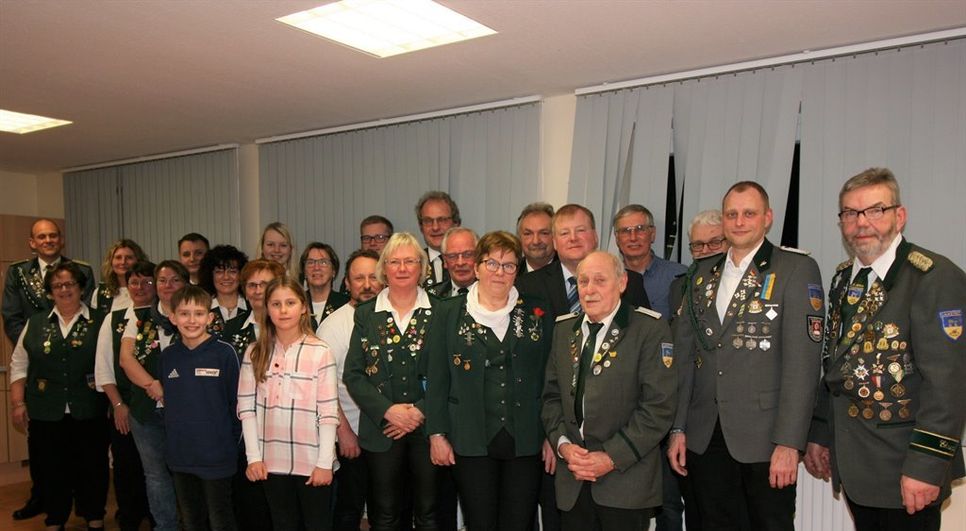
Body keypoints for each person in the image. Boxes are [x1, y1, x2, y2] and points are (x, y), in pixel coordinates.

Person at [804, 168, 965, 531]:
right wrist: (819, 433)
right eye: (850, 213)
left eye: (874, 210)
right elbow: (836, 367)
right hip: (857, 464)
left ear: (899, 215)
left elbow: (947, 386)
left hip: (905, 467)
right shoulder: (845, 278)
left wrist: (926, 467)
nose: (862, 223)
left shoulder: (933, 277)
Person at [669, 181, 824, 531]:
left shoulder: (795, 269)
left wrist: (789, 442)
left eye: (749, 213)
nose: (739, 222)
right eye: (732, 214)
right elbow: (685, 358)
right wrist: (678, 427)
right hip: (705, 433)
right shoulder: (701, 275)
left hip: (765, 438)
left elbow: (803, 365)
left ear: (767, 218)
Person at [426, 231, 554, 531]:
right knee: (479, 521)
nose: (500, 272)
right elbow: (437, 377)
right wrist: (436, 434)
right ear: (477, 268)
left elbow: (551, 377)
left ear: (517, 271)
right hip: (469, 437)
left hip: (525, 436)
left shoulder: (537, 311)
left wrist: (552, 434)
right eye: (492, 263)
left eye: (509, 265)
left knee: (519, 522)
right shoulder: (448, 312)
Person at [542, 251, 676, 531]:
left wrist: (611, 457)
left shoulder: (648, 330)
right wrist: (563, 445)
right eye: (583, 281)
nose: (589, 290)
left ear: (622, 282)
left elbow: (658, 408)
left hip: (625, 482)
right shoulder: (564, 329)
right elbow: (552, 398)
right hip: (573, 479)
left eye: (600, 281)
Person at [344, 232, 441, 531]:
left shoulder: (442, 311)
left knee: (428, 512)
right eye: (394, 261)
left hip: (429, 427)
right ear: (383, 269)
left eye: (409, 261)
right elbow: (354, 375)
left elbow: (448, 373)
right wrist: (389, 411)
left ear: (422, 267)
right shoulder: (365, 315)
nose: (402, 268)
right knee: (384, 514)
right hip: (381, 428)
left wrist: (418, 410)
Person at [2, 218, 94, 521]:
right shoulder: (17, 272)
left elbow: (93, 316)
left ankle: (85, 506)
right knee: (45, 454)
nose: (48, 240)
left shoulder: (82, 271)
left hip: (78, 372)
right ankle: (41, 500)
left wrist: (65, 346)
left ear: (61, 239)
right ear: (32, 242)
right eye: (42, 237)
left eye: (53, 235)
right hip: (40, 368)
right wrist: (40, 344)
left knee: (83, 455)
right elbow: (12, 316)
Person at [10, 261, 110, 530]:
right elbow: (19, 364)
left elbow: (110, 365)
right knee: (52, 470)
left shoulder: (100, 321)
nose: (64, 289)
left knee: (92, 466)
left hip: (89, 408)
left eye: (70, 284)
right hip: (46, 411)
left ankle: (94, 516)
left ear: (80, 288)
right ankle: (55, 519)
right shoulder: (35, 322)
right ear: (49, 292)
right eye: (58, 285)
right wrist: (18, 403)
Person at [237, 277, 339, 531]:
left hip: (313, 461)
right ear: (267, 308)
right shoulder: (254, 352)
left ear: (303, 307)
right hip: (271, 462)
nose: (283, 310)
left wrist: (325, 463)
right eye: (276, 304)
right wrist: (253, 458)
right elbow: (246, 409)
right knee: (283, 523)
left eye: (290, 303)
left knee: (317, 525)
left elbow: (328, 412)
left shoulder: (321, 351)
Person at [666, 209, 730, 531]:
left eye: (714, 242)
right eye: (697, 246)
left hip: (740, 426)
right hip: (696, 424)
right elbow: (680, 359)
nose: (705, 252)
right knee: (699, 516)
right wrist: (677, 427)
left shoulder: (744, 288)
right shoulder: (682, 288)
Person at [117, 260, 189, 531]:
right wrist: (154, 386)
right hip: (147, 413)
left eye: (174, 280)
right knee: (156, 476)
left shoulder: (195, 316)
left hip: (186, 414)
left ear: (185, 284)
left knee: (186, 474)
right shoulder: (139, 318)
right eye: (162, 280)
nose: (167, 286)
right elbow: (126, 359)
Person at [162, 285, 241, 531]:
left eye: (198, 313)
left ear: (210, 317)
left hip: (217, 456)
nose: (192, 320)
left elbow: (237, 405)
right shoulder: (167, 356)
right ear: (173, 318)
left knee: (220, 519)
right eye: (184, 313)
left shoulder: (225, 353)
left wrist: (230, 445)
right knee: (191, 519)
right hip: (181, 456)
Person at [316, 249, 384, 531]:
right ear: (346, 283)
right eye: (359, 278)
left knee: (389, 508)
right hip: (351, 435)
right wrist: (343, 432)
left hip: (389, 435)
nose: (367, 284)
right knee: (348, 509)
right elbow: (325, 387)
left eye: (373, 277)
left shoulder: (394, 316)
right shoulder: (332, 327)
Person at [220, 258, 285, 531]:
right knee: (249, 506)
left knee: (282, 507)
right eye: (252, 285)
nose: (258, 291)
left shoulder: (294, 325)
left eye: (265, 284)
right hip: (243, 431)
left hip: (284, 430)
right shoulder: (230, 328)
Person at [94, 260, 157, 531]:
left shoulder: (168, 316)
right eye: (134, 282)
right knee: (126, 465)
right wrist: (118, 404)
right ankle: (130, 516)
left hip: (159, 406)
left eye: (147, 282)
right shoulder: (114, 319)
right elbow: (104, 366)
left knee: (157, 469)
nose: (141, 287)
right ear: (126, 285)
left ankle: (156, 516)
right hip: (126, 407)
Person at [517, 204, 650, 322]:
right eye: (564, 233)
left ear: (595, 237)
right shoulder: (529, 285)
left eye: (580, 230)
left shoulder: (629, 281)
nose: (573, 238)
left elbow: (644, 333)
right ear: (555, 242)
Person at [613, 205, 686, 318]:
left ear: (652, 234)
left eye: (640, 229)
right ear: (617, 239)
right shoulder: (609, 278)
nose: (633, 237)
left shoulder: (678, 275)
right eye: (625, 231)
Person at [199, 244, 250, 339]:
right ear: (210, 275)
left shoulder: (252, 308)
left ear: (241, 274)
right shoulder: (201, 308)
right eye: (219, 272)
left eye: (233, 271)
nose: (226, 277)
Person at [416, 191, 461, 291]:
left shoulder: (473, 262)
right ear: (421, 227)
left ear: (456, 223)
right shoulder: (414, 265)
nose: (435, 227)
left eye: (442, 220)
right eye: (428, 221)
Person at [299, 242, 350, 329]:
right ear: (304, 271)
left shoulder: (346, 303)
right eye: (311, 262)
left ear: (333, 271)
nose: (316, 268)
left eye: (323, 263)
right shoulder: (296, 303)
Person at [90, 238, 149, 311]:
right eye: (118, 257)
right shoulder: (99, 294)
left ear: (139, 261)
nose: (123, 262)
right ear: (111, 262)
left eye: (129, 258)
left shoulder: (148, 289)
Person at [432, 227, 478, 297]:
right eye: (452, 256)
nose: (460, 263)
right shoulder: (433, 298)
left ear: (478, 257)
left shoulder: (493, 295)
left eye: (467, 255)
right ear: (445, 261)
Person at [516, 202, 556, 273]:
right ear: (519, 238)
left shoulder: (569, 271)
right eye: (528, 234)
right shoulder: (511, 272)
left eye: (544, 233)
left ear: (555, 237)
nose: (536, 241)